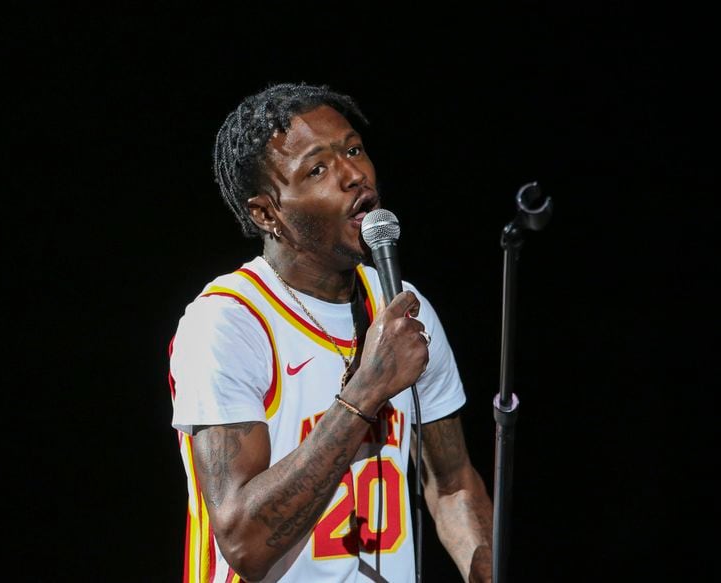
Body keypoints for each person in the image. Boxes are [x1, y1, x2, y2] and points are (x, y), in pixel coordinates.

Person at [168, 82, 493, 582]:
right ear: (266, 213)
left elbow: (451, 483)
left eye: (354, 150)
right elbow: (243, 542)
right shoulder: (228, 322)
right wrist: (368, 388)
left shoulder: (405, 308)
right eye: (317, 169)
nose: (353, 175)